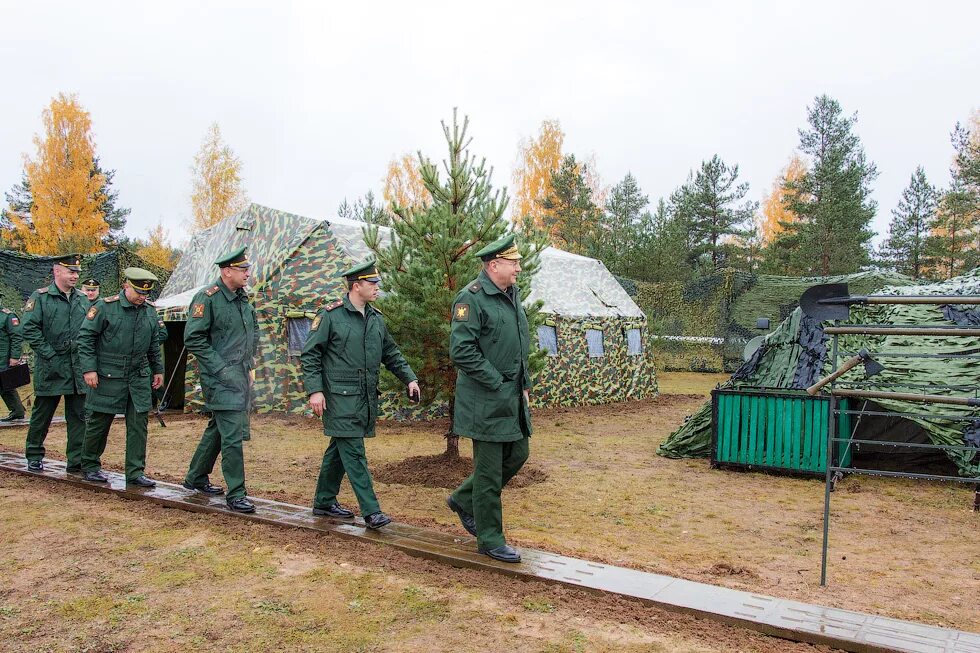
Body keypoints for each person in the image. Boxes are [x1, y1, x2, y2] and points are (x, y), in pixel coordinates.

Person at [301, 259, 419, 529]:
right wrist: (315, 391)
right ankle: (371, 511)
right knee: (354, 452)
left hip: (364, 398)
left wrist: (410, 378)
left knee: (338, 450)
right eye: (372, 283)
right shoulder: (331, 316)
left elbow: (391, 353)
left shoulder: (376, 318)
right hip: (338, 398)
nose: (377, 287)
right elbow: (310, 355)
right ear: (356, 286)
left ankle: (323, 501)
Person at [446, 234, 532, 563]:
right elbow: (462, 352)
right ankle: (490, 539)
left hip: (510, 396)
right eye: (514, 263)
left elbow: (517, 345)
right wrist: (497, 382)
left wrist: (523, 384)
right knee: (489, 470)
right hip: (486, 399)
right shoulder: (471, 299)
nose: (519, 269)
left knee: (519, 453)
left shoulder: (510, 295)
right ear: (494, 265)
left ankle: (463, 500)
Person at [181, 246, 259, 513]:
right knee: (232, 435)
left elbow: (252, 332)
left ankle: (195, 477)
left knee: (219, 429)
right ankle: (236, 493)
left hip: (239, 375)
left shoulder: (241, 299)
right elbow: (193, 338)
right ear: (227, 271)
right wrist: (222, 369)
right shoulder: (208, 298)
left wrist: (249, 366)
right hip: (219, 378)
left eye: (247, 268)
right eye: (243, 269)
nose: (248, 273)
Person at [77, 268, 164, 487]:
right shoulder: (105, 308)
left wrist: (158, 370)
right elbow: (86, 338)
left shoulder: (149, 311)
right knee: (99, 422)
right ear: (126, 286)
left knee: (138, 425)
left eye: (146, 293)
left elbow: (154, 343)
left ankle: (135, 472)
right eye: (138, 292)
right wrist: (89, 369)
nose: (143, 297)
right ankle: (89, 465)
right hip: (108, 374)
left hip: (138, 376)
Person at [21, 254, 89, 473]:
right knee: (43, 414)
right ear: (57, 271)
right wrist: (49, 354)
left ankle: (76, 460)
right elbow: (29, 328)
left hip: (77, 366)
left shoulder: (82, 298)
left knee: (78, 416)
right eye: (71, 271)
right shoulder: (41, 297)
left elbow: (90, 330)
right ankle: (34, 454)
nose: (75, 276)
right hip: (51, 366)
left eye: (77, 272)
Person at [0, 300, 26, 422]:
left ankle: (17, 411)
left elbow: (17, 336)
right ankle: (17, 411)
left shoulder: (7, 316)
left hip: (3, 358)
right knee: (5, 386)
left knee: (6, 384)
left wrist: (15, 357)